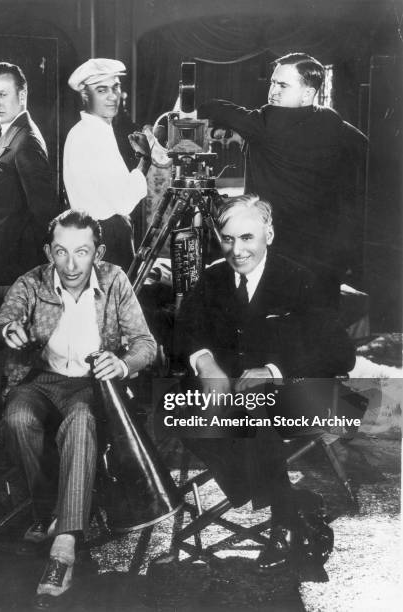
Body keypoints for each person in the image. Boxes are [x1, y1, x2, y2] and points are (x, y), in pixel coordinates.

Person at [0, 209, 156, 606]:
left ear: (99, 251)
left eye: (82, 252)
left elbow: (146, 344)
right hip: (39, 381)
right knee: (18, 418)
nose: (71, 264)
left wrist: (124, 363)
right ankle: (53, 515)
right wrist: (7, 330)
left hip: (91, 386)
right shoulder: (31, 282)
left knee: (81, 421)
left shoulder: (114, 280)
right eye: (61, 252)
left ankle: (63, 549)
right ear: (49, 251)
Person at [175, 194, 355, 569]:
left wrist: (273, 371)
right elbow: (183, 331)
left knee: (257, 419)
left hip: (299, 392)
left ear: (268, 234)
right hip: (230, 396)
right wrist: (204, 360)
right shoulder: (211, 279)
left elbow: (340, 354)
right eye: (227, 239)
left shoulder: (303, 280)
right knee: (180, 414)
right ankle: (292, 500)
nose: (236, 250)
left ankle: (284, 522)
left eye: (247, 238)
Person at [199, 52, 367, 305]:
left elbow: (211, 106)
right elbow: (362, 144)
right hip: (324, 248)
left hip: (280, 247)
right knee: (318, 321)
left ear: (307, 93)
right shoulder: (331, 119)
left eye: (283, 85)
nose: (273, 91)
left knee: (274, 323)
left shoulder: (270, 120)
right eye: (273, 83)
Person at [0, 62, 57, 428]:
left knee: (6, 362)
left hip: (12, 274)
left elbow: (45, 217)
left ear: (22, 95)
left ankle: (0, 431)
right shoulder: (6, 133)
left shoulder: (26, 141)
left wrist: (27, 277)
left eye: (3, 93)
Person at [63, 58, 151, 271]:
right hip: (107, 238)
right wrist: (145, 159)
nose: (112, 96)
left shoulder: (86, 131)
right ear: (85, 95)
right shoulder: (93, 136)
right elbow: (124, 202)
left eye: (115, 87)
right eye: (102, 90)